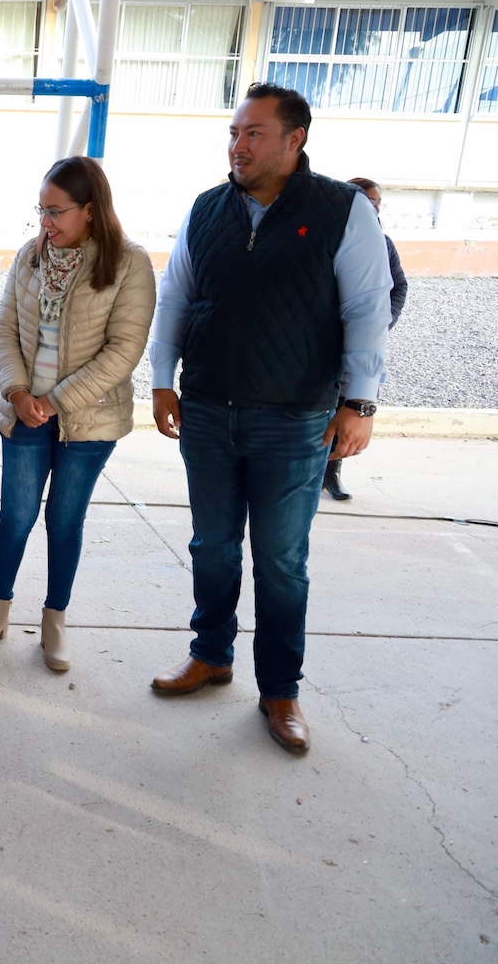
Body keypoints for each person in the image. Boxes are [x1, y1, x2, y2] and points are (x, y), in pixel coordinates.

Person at [148, 84, 391, 754]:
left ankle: (280, 691)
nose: (238, 145)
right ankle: (210, 654)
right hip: (206, 410)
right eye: (234, 132)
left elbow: (367, 308)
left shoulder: (341, 209)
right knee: (211, 546)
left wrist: (360, 403)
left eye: (253, 133)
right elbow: (176, 296)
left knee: (281, 561)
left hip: (294, 418)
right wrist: (162, 379)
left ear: (294, 139)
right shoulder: (208, 208)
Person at [0, 156, 156, 672]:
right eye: (41, 211)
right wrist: (17, 391)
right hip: (25, 411)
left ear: (90, 210)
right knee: (16, 515)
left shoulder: (129, 263)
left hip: (88, 420)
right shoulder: (30, 256)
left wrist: (55, 402)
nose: (46, 222)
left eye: (56, 212)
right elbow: (4, 327)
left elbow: (123, 351)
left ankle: (54, 621)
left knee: (65, 519)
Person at [324, 177, 407, 501]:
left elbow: (397, 288)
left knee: (347, 405)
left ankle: (332, 474)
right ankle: (313, 472)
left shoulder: (383, 243)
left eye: (376, 202)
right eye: (366, 200)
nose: (372, 207)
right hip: (323, 344)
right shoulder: (329, 235)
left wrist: (379, 324)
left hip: (357, 347)